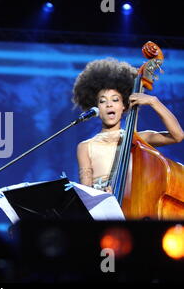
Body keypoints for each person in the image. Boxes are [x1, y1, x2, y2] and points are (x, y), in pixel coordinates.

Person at [72, 58, 184, 192]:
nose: (109, 104)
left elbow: (177, 136)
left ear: (124, 106)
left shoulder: (136, 139)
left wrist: (154, 102)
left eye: (115, 100)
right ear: (97, 109)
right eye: (102, 101)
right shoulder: (85, 146)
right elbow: (86, 190)